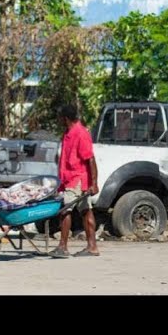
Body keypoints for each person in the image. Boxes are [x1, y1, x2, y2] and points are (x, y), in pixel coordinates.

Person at [49, 103, 100, 258]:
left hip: (76, 179)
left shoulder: (80, 133)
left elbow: (90, 160)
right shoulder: (68, 133)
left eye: (59, 118)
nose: (58, 121)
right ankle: (92, 247)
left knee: (66, 210)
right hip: (69, 178)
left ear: (65, 118)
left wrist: (94, 183)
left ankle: (63, 247)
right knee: (85, 211)